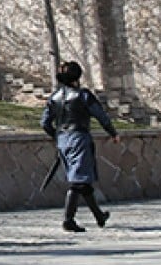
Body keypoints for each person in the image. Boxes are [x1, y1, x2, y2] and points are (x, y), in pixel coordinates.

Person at [42, 61, 121, 232]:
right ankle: (68, 219)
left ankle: (99, 216)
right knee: (78, 181)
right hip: (78, 138)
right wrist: (113, 133)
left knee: (83, 181)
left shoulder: (54, 97)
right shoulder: (83, 95)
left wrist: (57, 136)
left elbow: (45, 123)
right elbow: (101, 115)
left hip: (63, 140)